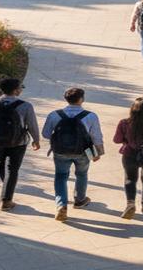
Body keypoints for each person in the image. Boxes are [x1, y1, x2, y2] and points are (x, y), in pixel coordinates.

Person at [41, 87, 104, 222]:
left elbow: (45, 134)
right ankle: (80, 200)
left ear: (66, 99)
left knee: (61, 177)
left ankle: (61, 205)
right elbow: (96, 136)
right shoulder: (90, 116)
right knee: (82, 174)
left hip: (60, 151)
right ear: (81, 99)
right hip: (83, 151)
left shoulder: (54, 114)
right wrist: (98, 152)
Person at [0, 77, 40, 210]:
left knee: (1, 161)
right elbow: (32, 125)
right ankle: (6, 200)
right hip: (19, 142)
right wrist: (36, 140)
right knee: (13, 169)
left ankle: (6, 185)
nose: (21, 90)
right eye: (21, 87)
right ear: (16, 90)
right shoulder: (25, 106)